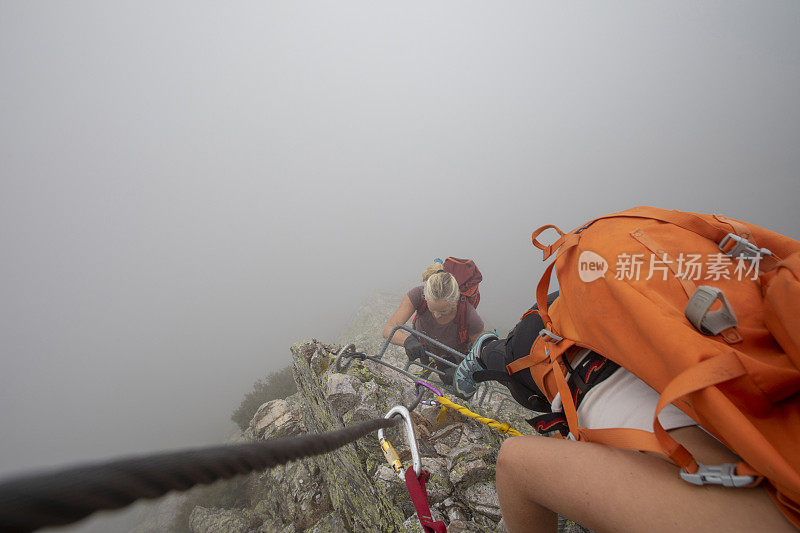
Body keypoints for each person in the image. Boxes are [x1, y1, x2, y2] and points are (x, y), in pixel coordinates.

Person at [453, 293, 796, 532]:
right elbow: (515, 462)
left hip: (611, 324)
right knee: (515, 373)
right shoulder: (735, 518)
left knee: (528, 379)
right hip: (562, 347)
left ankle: (488, 354)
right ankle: (485, 352)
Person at [382, 263, 485, 383]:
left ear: (455, 300)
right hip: (422, 346)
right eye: (432, 309)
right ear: (425, 296)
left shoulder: (470, 317)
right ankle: (427, 370)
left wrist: (463, 369)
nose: (436, 315)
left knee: (448, 381)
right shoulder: (417, 295)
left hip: (450, 357)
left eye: (443, 311)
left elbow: (481, 353)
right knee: (425, 365)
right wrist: (407, 341)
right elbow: (388, 330)